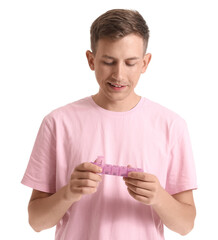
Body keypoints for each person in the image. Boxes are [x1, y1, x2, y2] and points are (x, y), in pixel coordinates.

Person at [21, 9, 197, 240]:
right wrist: (68, 193)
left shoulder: (171, 125)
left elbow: (185, 226)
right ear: (91, 60)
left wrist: (159, 198)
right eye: (108, 61)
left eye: (130, 63)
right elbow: (36, 221)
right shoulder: (58, 122)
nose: (119, 75)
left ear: (145, 63)